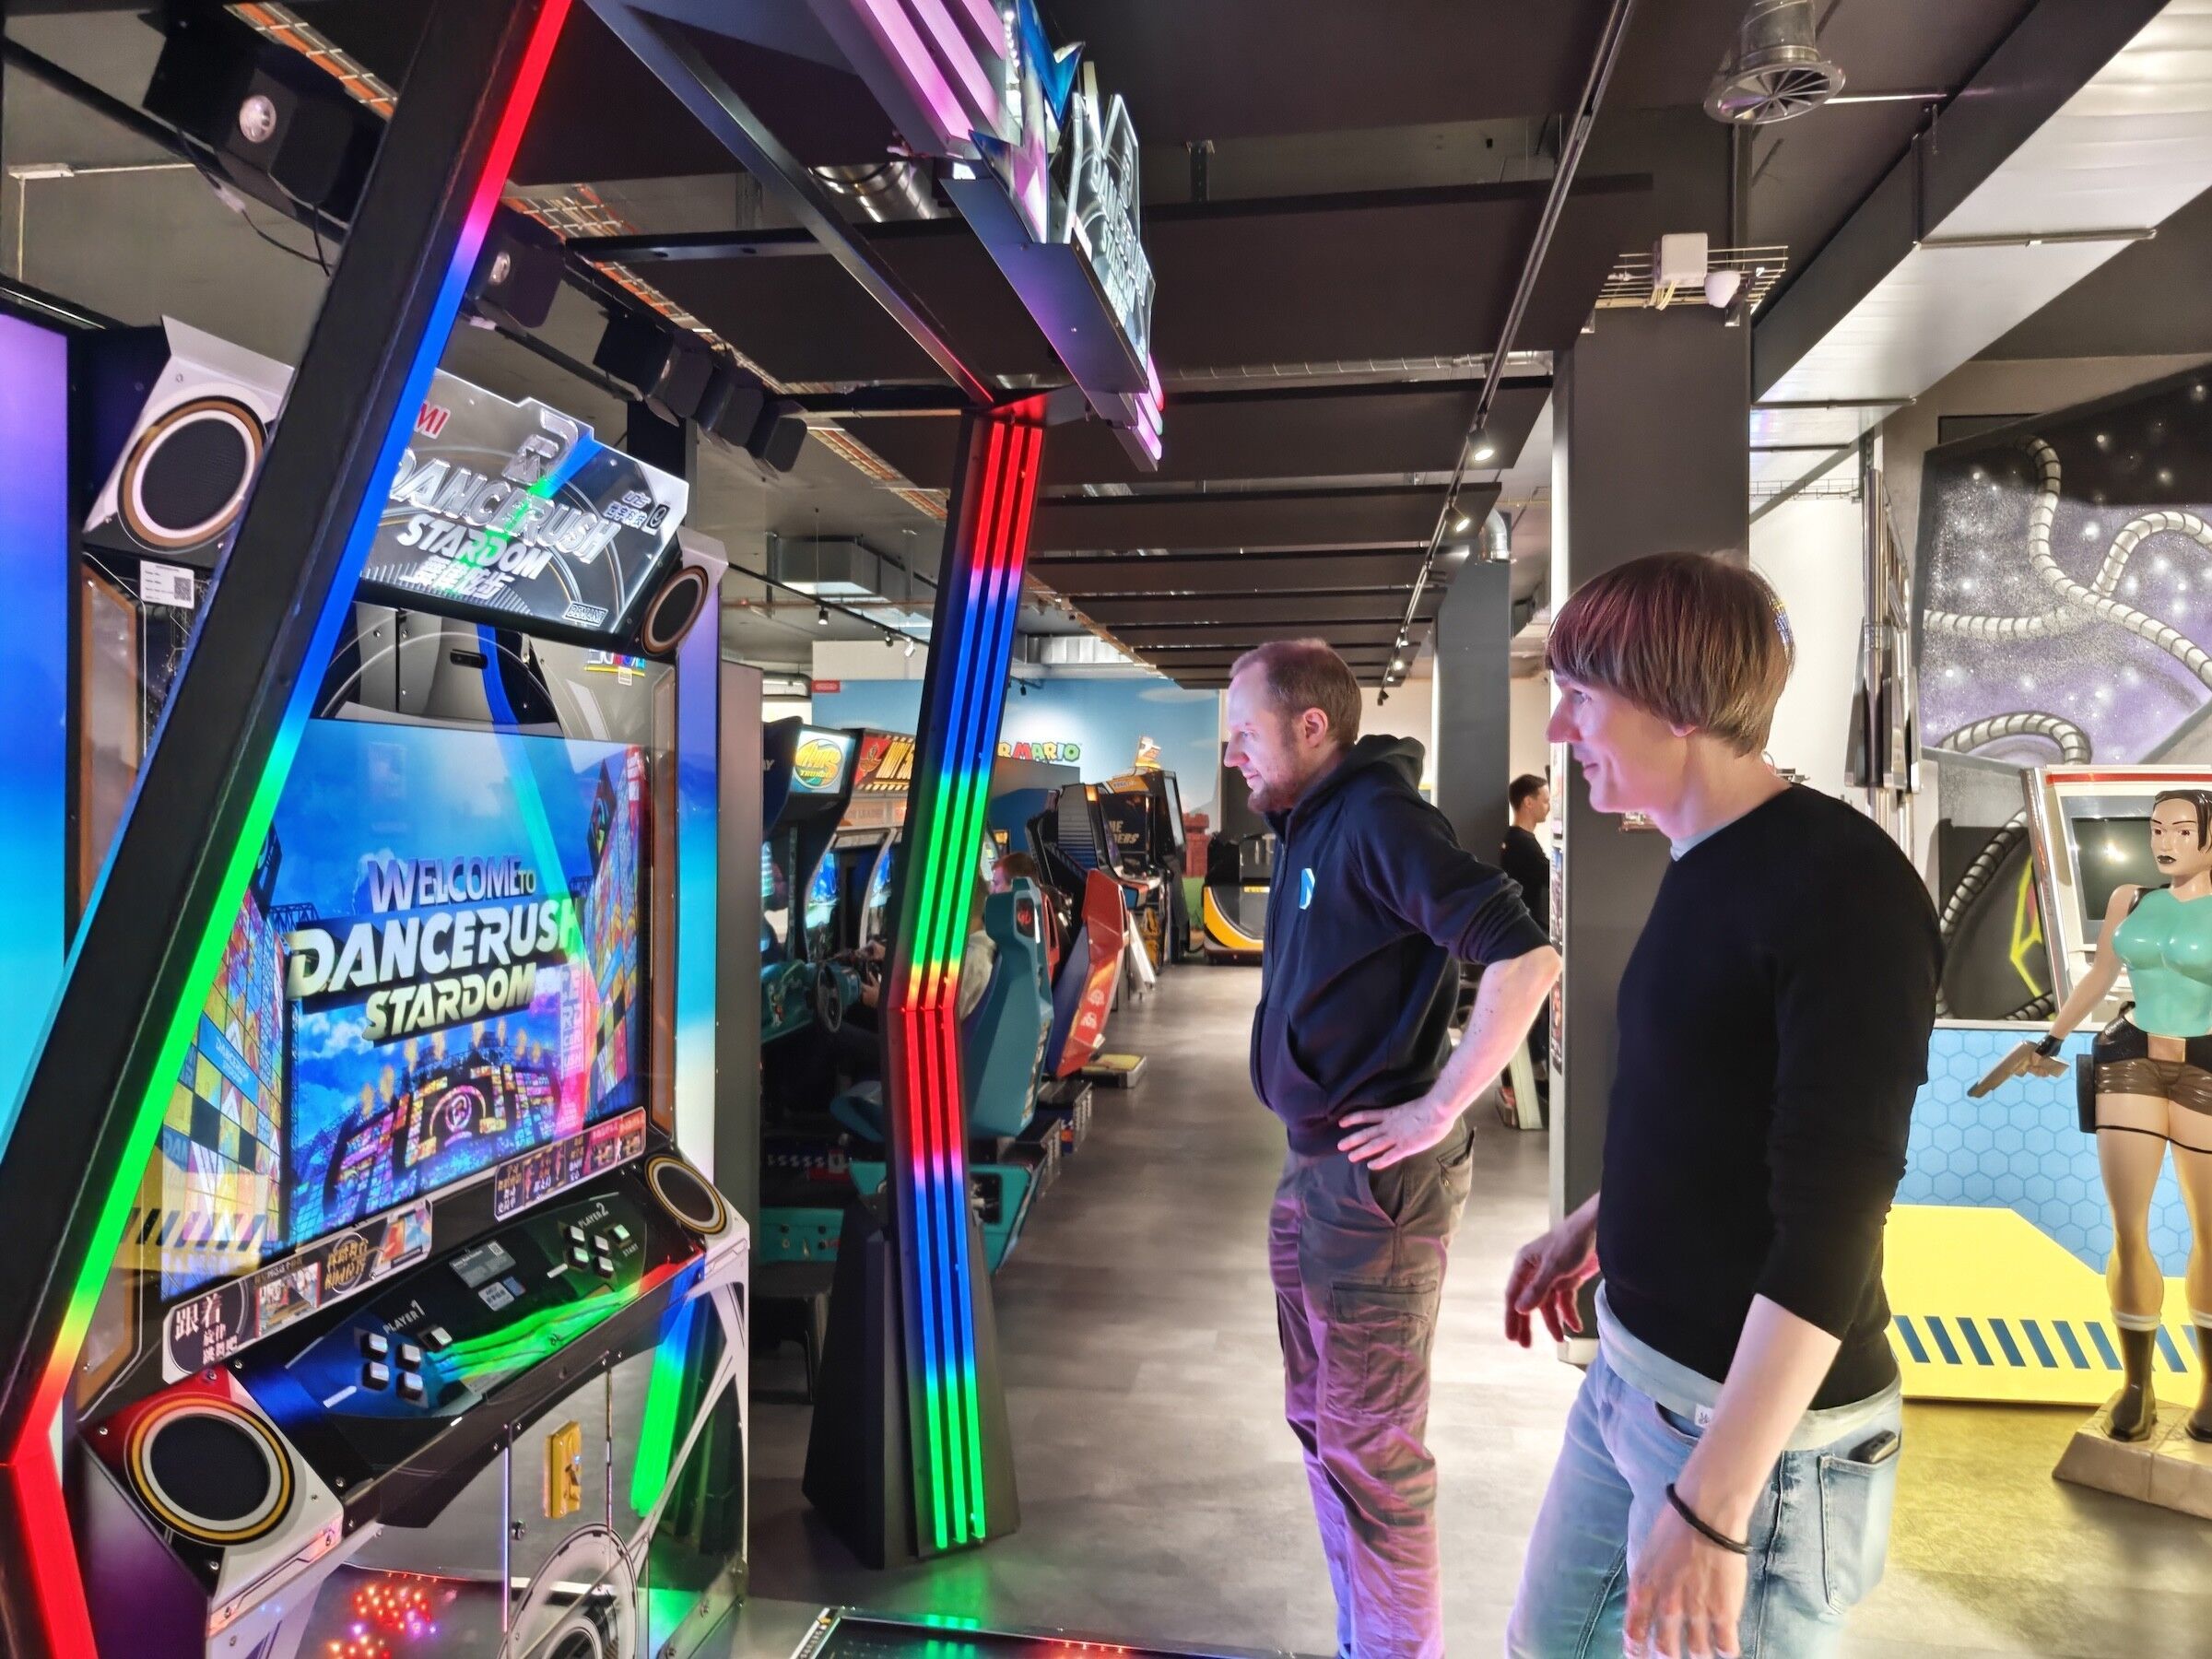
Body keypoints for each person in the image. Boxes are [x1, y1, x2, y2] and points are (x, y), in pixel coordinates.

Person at [1503, 553, 1939, 1659]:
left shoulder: (1846, 892)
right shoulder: (1705, 858)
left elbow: (1833, 1222)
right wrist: (1602, 1221)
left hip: (1760, 1445)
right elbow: (1715, 1104)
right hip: (1635, 1382)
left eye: (1582, 696)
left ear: (1682, 707)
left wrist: (1714, 1506)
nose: (1560, 730)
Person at [1225, 639, 1560, 1659]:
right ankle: (1362, 1639)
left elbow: (1525, 954)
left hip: (1374, 1188)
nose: (1234, 753)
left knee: (1371, 1453)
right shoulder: (1314, 821)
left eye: (1245, 733)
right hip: (1316, 1169)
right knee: (1323, 1425)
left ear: (1311, 725)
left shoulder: (1376, 820)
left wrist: (1441, 1106)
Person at [1501, 774, 1552, 923]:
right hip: (1526, 925)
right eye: (1546, 802)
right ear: (1528, 802)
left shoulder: (1514, 838)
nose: (1549, 807)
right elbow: (1554, 879)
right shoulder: (1523, 844)